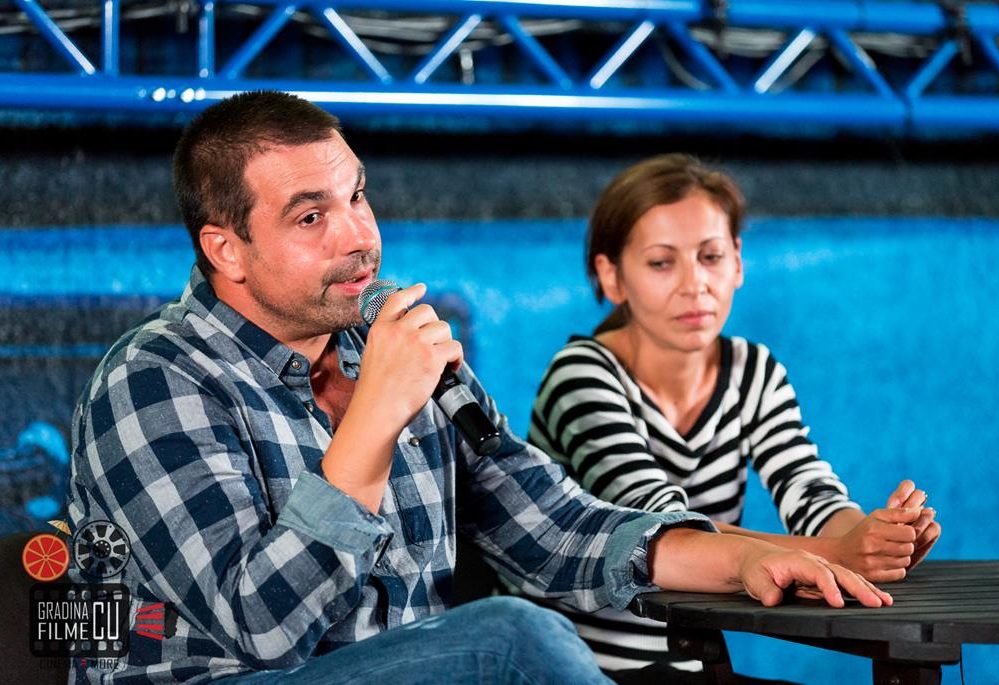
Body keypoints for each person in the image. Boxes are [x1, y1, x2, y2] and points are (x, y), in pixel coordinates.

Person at [66, 94, 894, 685]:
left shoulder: (391, 344)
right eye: (311, 217)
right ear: (227, 248)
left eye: (358, 196)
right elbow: (265, 627)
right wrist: (376, 414)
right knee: (509, 638)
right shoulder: (153, 380)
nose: (359, 236)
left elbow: (553, 526)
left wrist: (746, 556)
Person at [527, 154, 942, 677]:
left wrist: (875, 540)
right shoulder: (580, 376)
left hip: (691, 663)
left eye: (711, 256)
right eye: (661, 263)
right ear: (612, 277)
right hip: (573, 667)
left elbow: (811, 495)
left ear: (738, 262)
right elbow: (658, 526)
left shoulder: (754, 371)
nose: (694, 284)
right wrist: (840, 552)